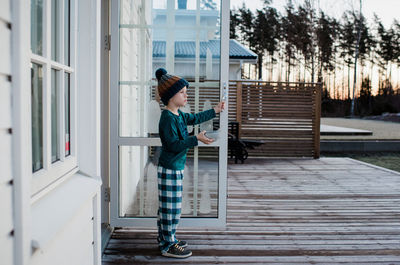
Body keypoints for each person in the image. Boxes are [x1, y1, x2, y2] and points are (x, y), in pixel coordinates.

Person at [155, 68, 225, 258]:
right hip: (169, 169)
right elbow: (173, 145)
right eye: (182, 92)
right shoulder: (167, 118)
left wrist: (215, 110)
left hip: (174, 169)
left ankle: (166, 239)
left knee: (168, 207)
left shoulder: (179, 114)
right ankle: (168, 245)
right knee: (172, 208)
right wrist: (196, 139)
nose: (186, 95)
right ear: (171, 96)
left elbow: (195, 118)